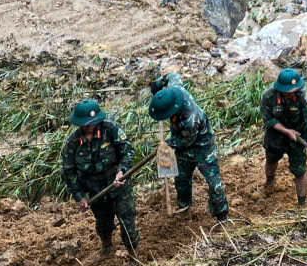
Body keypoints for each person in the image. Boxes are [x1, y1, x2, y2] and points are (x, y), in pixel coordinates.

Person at [60, 100, 139, 254]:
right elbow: (69, 173)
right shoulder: (72, 144)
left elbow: (128, 152)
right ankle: (107, 248)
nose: (90, 126)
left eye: (93, 123)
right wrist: (79, 196)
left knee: (127, 221)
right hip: (95, 191)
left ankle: (133, 255)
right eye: (87, 124)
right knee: (103, 224)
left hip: (119, 186)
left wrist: (122, 172)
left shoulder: (111, 130)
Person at [149, 75, 229, 221]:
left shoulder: (190, 119)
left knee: (213, 182)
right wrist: (158, 84)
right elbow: (173, 75)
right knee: (181, 179)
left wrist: (169, 143)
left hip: (202, 147)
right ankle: (184, 206)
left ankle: (221, 214)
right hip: (183, 144)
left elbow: (186, 141)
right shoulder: (176, 89)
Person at [262, 68, 307, 207]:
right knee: (271, 160)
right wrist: (286, 131)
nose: (292, 93)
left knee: (300, 171)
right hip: (276, 134)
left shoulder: (304, 96)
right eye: (289, 91)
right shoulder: (268, 95)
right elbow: (268, 120)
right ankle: (270, 182)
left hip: (299, 137)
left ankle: (301, 205)